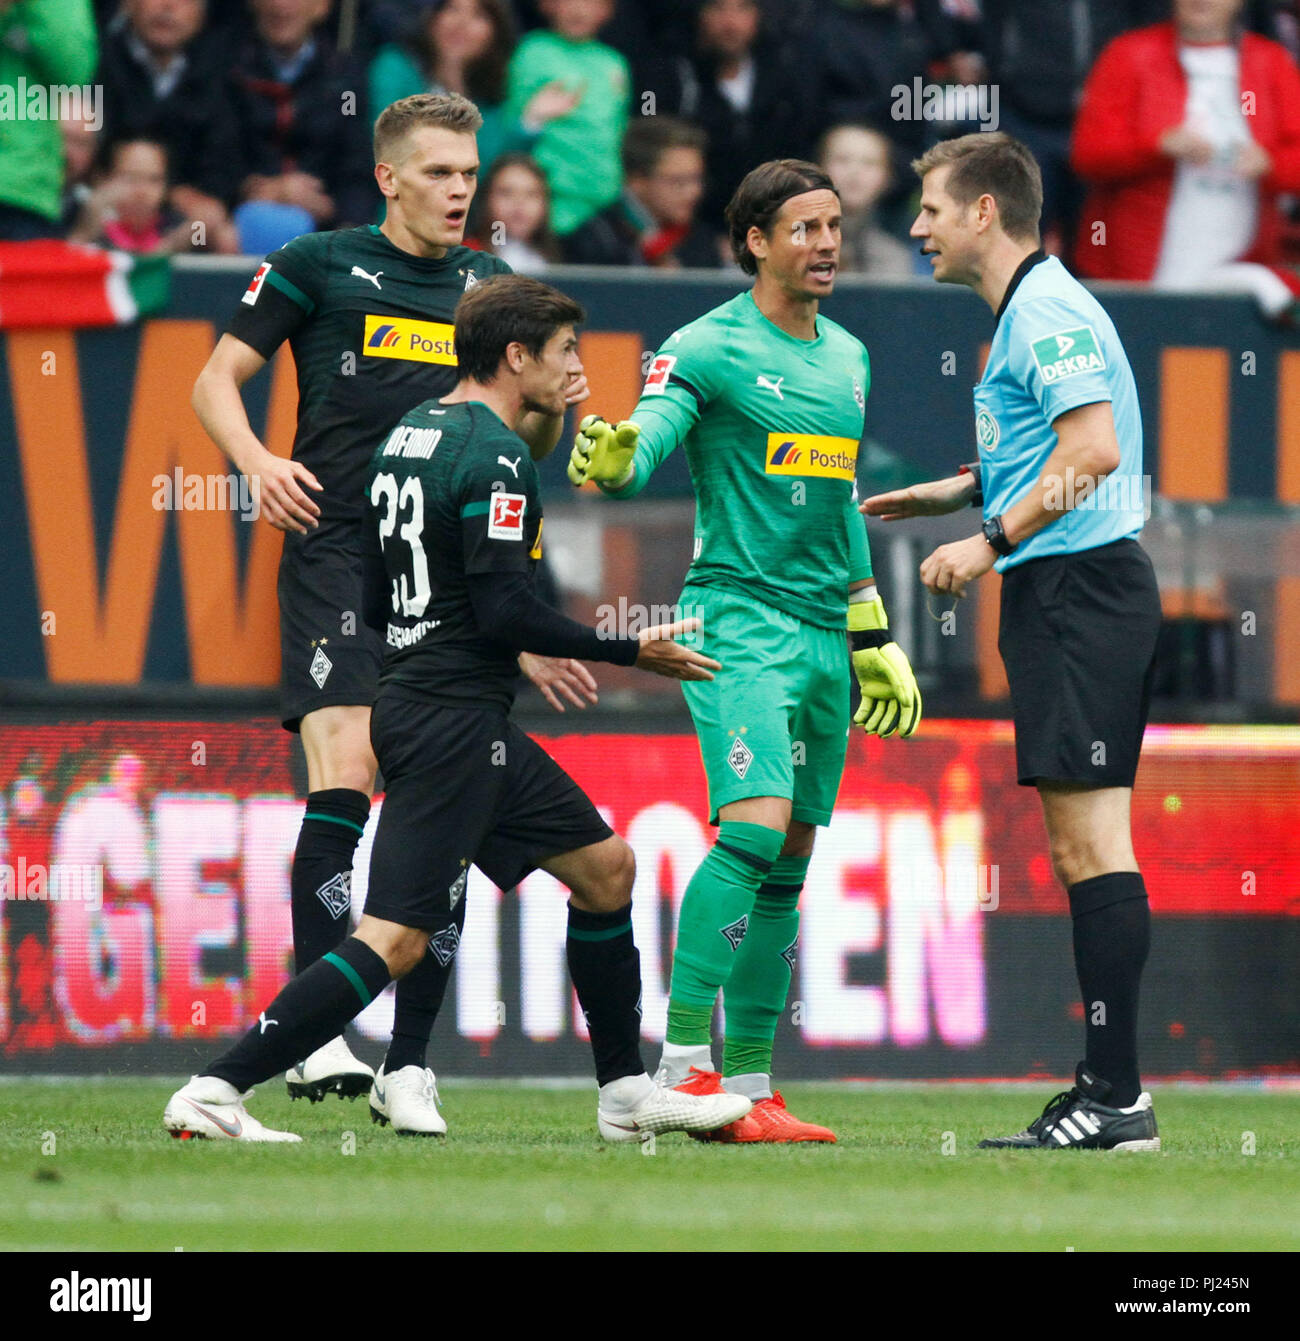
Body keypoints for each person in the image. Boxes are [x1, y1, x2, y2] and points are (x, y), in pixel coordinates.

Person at [164, 274, 753, 1145]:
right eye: (564, 354)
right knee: (395, 938)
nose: (575, 370)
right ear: (517, 357)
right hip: (449, 722)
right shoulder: (497, 454)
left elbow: (376, 586)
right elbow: (509, 609)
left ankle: (625, 1091)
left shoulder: (409, 432)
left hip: (436, 704)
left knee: (606, 868)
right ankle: (215, 1088)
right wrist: (634, 649)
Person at [190, 92, 592, 1136]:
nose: (461, 190)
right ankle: (320, 1032)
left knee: (441, 797)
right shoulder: (320, 266)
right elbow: (214, 380)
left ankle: (406, 1064)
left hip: (444, 578)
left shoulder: (483, 290)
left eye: (469, 171)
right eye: (441, 173)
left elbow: (512, 458)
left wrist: (552, 415)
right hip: (336, 548)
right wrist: (257, 460)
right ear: (389, 177)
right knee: (348, 765)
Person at [567, 158, 921, 1142]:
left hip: (820, 634)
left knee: (791, 862)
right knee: (754, 829)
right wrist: (616, 458)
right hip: (740, 621)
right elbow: (646, 439)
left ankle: (755, 1090)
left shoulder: (847, 356)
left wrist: (872, 631)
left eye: (834, 226)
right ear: (755, 240)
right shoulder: (707, 345)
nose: (825, 244)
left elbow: (834, 501)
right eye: (803, 227)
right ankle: (681, 1069)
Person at [864, 132, 1162, 1151]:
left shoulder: (1041, 309)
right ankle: (1110, 1090)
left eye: (932, 209)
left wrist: (985, 539)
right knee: (1084, 846)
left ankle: (1115, 1096)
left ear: (983, 211)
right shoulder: (1034, 309)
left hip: (1080, 592)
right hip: (1070, 592)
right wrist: (961, 486)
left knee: (1091, 846)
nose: (916, 228)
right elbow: (1057, 441)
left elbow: (1095, 448)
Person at [1071, 0, 1300, 322]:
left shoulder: (1270, 61)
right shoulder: (1129, 53)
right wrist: (1156, 146)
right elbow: (1088, 153)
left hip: (1238, 258)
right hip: (1136, 267)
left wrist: (1270, 164)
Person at [368, 0, 579, 177]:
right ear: (433, 16)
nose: (462, 24)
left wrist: (530, 121)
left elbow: (492, 173)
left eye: (479, 15)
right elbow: (389, 146)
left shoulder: (493, 93)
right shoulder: (396, 67)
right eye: (452, 8)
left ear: (495, 32)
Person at [96, 0, 242, 251]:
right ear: (127, 4)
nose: (168, 6)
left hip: (180, 218)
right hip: (109, 205)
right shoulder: (98, 60)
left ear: (201, 13)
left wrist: (185, 200)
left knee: (219, 232)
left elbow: (222, 167)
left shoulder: (218, 72)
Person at [229, 0, 375, 234]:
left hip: (325, 227)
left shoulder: (346, 80)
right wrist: (266, 190)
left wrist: (349, 229)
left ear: (321, 7)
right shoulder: (229, 70)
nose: (280, 6)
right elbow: (215, 157)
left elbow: (356, 166)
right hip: (240, 224)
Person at [503, 0, 630, 237]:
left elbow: (617, 135)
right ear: (546, 5)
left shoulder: (615, 62)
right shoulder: (532, 51)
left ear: (608, 9)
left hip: (604, 203)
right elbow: (512, 127)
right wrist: (533, 118)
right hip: (549, 202)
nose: (578, 8)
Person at [562, 117, 720, 268]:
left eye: (697, 179)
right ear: (636, 181)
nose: (694, 192)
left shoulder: (703, 240)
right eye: (678, 181)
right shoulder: (594, 240)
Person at [817, 123, 915, 278]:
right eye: (842, 160)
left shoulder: (894, 258)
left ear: (887, 178)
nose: (854, 171)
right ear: (819, 169)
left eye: (869, 162)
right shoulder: (793, 245)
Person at [69, 138, 196, 254]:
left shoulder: (177, 227)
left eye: (154, 179)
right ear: (105, 180)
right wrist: (84, 233)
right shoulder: (76, 218)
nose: (141, 191)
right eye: (130, 178)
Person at [468, 152, 559, 272]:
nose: (519, 203)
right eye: (506, 193)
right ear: (485, 199)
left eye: (531, 194)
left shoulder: (562, 258)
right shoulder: (466, 258)